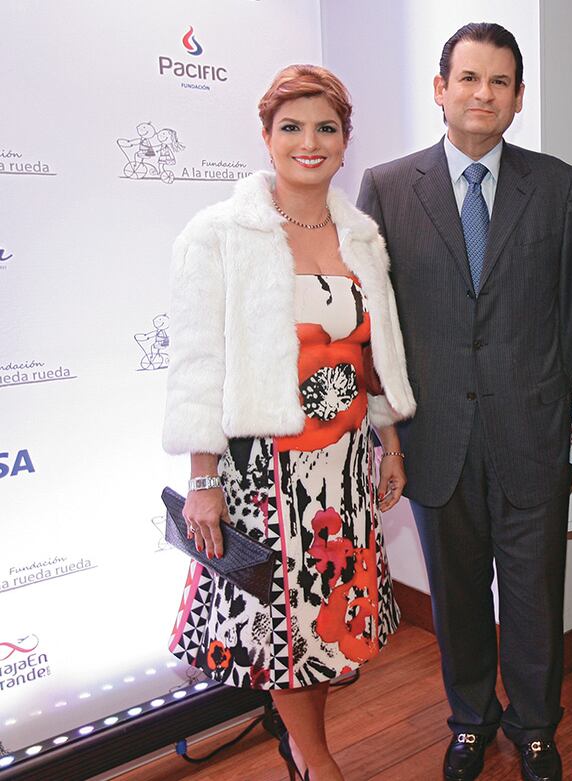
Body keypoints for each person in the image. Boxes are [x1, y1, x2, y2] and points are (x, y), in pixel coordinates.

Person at [356, 22, 572, 781]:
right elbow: (378, 328)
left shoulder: (559, 186)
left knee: (532, 599)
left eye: (499, 81)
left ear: (518, 98)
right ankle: (470, 718)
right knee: (456, 597)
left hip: (533, 433)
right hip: (437, 435)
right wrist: (386, 436)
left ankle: (533, 725)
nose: (482, 93)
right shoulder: (388, 189)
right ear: (441, 89)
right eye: (468, 78)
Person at [163, 65, 416, 781]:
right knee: (283, 628)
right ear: (267, 136)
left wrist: (387, 439)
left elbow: (372, 354)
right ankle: (317, 760)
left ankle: (307, 749)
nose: (311, 143)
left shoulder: (360, 235)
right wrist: (202, 478)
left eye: (326, 128)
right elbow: (197, 364)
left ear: (345, 141)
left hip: (339, 468)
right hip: (261, 470)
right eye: (292, 127)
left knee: (321, 629)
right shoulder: (217, 234)